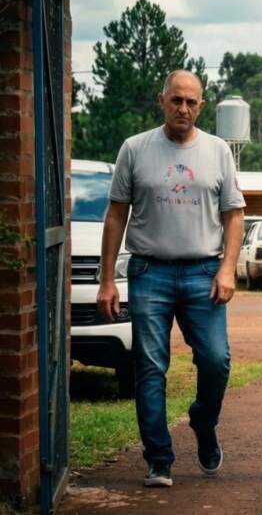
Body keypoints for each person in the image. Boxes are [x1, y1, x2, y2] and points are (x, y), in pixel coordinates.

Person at [97, 70, 246, 488]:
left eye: (191, 102)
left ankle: (203, 421)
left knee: (216, 360)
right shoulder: (135, 149)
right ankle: (159, 457)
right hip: (150, 272)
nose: (183, 108)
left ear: (202, 105)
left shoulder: (218, 151)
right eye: (176, 100)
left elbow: (234, 216)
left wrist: (228, 268)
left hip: (204, 272)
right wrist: (108, 280)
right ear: (162, 100)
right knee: (149, 367)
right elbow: (115, 216)